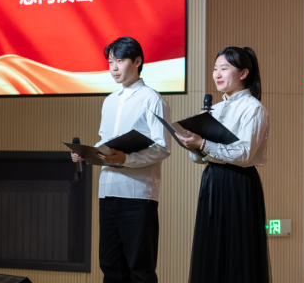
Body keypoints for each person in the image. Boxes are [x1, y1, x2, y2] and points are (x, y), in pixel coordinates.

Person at [71, 37, 171, 283]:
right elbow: (106, 142)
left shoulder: (152, 99)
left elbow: (163, 147)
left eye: (120, 60)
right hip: (107, 192)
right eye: (110, 62)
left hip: (138, 193)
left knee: (140, 268)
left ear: (137, 61)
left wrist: (126, 158)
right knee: (110, 265)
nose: (114, 67)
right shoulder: (110, 100)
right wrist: (86, 152)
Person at [176, 46, 271, 283]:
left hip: (238, 183)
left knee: (238, 252)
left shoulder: (253, 108)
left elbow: (244, 154)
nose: (217, 74)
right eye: (215, 68)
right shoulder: (214, 109)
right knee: (211, 250)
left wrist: (203, 143)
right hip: (212, 180)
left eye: (224, 68)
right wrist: (193, 145)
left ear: (243, 73)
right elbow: (202, 157)